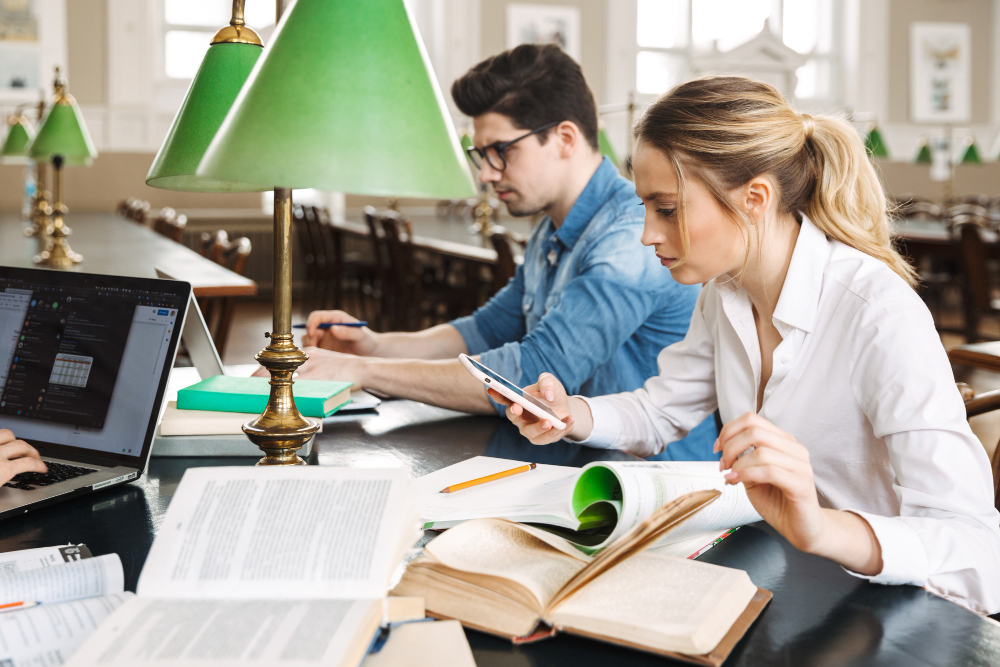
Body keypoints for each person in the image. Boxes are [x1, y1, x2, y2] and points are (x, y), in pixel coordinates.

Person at [494, 75, 1000, 613]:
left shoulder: (878, 314)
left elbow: (979, 555)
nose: (646, 234)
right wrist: (571, 413)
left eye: (666, 209)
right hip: (788, 588)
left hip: (886, 610)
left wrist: (821, 528)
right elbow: (660, 411)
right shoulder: (724, 291)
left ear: (755, 198)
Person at [295, 44, 717, 459]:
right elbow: (484, 329)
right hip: (576, 461)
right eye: (481, 155)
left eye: (501, 151)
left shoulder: (630, 236)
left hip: (653, 485)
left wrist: (363, 372)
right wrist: (374, 347)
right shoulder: (551, 229)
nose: (487, 173)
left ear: (564, 138)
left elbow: (534, 367)